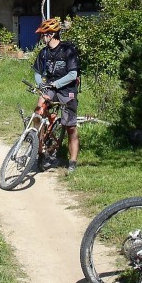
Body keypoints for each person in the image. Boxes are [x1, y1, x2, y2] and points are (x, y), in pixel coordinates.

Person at [32, 17, 81, 174]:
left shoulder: (68, 50)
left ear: (51, 34)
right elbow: (38, 72)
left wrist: (56, 84)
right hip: (51, 88)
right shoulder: (44, 52)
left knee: (70, 127)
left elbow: (73, 74)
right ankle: (40, 153)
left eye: (44, 34)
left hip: (67, 90)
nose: (42, 37)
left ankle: (72, 161)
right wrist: (42, 86)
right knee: (38, 115)